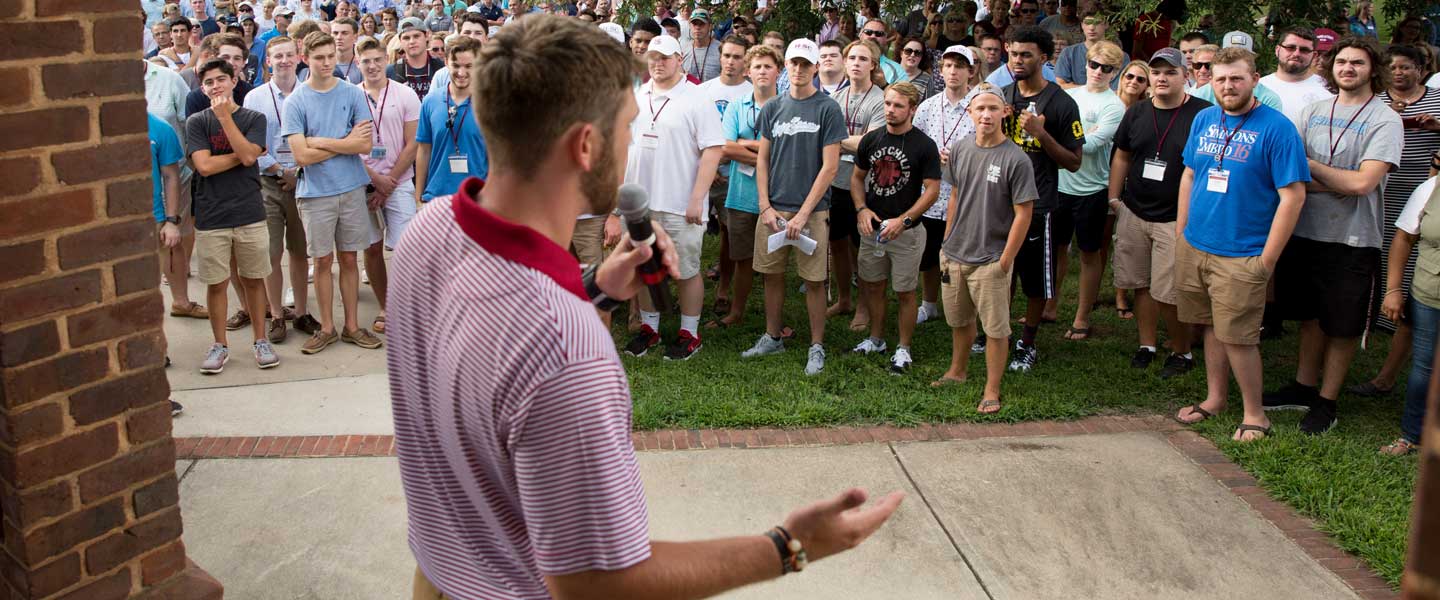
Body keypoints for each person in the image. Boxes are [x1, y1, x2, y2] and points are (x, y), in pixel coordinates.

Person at [388, 17, 903, 599]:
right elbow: (598, 583)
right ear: (586, 146)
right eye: (629, 127)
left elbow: (488, 341)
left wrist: (600, 287)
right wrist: (787, 545)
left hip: (435, 573)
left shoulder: (428, 232)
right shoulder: (568, 350)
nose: (633, 141)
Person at [1262, 37, 1401, 435]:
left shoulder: (1384, 119)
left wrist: (1311, 168)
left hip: (1353, 239)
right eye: (1341, 61)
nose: (1348, 69)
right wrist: (1331, 178)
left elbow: (1363, 184)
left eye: (1357, 63)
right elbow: (1291, 175)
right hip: (1305, 231)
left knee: (1342, 325)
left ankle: (1327, 400)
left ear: (1373, 69)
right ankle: (1303, 387)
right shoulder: (1314, 111)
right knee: (1309, 315)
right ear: (1330, 66)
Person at [1171, 47, 1309, 442]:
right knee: (1212, 327)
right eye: (1220, 79)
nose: (1227, 86)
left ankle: (1255, 415)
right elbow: (1190, 174)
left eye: (1236, 78)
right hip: (1196, 244)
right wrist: (1182, 230)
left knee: (1240, 337)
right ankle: (1215, 398)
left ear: (1254, 80)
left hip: (1244, 252)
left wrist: (1267, 259)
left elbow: (1293, 196)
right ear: (1210, 81)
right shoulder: (1204, 118)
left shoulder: (1277, 128)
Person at [742, 39, 848, 375]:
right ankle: (773, 336)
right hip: (774, 208)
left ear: (816, 67)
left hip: (813, 211)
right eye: (794, 63)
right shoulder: (773, 107)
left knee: (815, 280)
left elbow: (830, 167)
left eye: (806, 64)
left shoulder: (827, 108)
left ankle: (817, 345)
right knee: (771, 274)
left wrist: (804, 213)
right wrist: (764, 205)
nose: (799, 70)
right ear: (786, 66)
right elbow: (763, 158)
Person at [620, 34, 724, 360]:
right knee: (646, 267)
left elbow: (713, 150)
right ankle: (649, 328)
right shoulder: (638, 95)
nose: (658, 63)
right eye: (653, 57)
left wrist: (697, 197)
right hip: (641, 203)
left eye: (665, 57)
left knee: (687, 269)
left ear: (680, 59)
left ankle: (689, 333)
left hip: (681, 202)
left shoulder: (697, 97)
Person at [935, 82, 1036, 411]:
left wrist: (1005, 260)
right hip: (955, 254)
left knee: (995, 329)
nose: (986, 114)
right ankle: (957, 371)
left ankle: (992, 390)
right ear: (970, 112)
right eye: (980, 108)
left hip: (990, 259)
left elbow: (1024, 213)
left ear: (1005, 111)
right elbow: (953, 195)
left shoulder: (1016, 158)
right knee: (959, 320)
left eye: (993, 108)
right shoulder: (962, 148)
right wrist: (946, 242)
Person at [283, 32, 384, 354]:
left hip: (351, 188)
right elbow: (301, 156)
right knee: (322, 261)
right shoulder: (295, 101)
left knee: (350, 258)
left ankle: (352, 325)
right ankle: (326, 327)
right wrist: (344, 142)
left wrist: (320, 141)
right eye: (319, 57)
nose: (327, 63)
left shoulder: (352, 94)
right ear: (306, 58)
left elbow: (364, 144)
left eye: (330, 56)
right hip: (315, 193)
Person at [1109, 47, 1208, 377]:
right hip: (1135, 210)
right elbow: (1122, 155)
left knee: (1170, 291)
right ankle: (1146, 345)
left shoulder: (1202, 114)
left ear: (1186, 76)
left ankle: (1182, 352)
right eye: (1157, 72)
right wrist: (1114, 198)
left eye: (1170, 72)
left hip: (1175, 218)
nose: (1162, 78)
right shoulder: (1136, 113)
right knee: (1141, 284)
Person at [1353, 44, 1440, 396]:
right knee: (1380, 265)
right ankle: (1371, 325)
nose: (1399, 72)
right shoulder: (1374, 102)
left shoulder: (1436, 100)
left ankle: (1391, 369)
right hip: (1379, 196)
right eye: (1393, 67)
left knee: (1419, 280)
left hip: (1425, 197)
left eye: (1407, 67)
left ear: (1422, 69)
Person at [998, 26, 1084, 371]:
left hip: (1039, 204)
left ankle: (1027, 341)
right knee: (998, 272)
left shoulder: (1062, 103)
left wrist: (1041, 133)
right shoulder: (1003, 96)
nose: (1018, 60)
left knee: (1034, 279)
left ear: (1044, 59)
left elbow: (1074, 162)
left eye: (1026, 54)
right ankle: (997, 333)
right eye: (1014, 53)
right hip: (1000, 202)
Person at [185, 59, 279, 373]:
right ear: (202, 87)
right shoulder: (197, 122)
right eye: (209, 82)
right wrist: (242, 155)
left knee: (253, 279)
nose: (215, 86)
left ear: (234, 80)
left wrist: (227, 121)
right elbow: (205, 166)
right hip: (212, 214)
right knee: (216, 283)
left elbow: (251, 155)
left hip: (249, 210)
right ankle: (219, 344)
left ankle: (260, 340)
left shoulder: (254, 117)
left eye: (221, 79)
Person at [848, 81, 942, 374]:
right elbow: (856, 178)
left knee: (905, 290)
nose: (891, 110)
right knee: (873, 286)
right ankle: (876, 338)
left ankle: (903, 347)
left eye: (898, 106)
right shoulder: (871, 140)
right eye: (888, 104)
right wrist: (862, 209)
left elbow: (932, 190)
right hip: (873, 227)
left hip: (907, 231)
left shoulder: (924, 145)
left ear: (912, 109)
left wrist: (905, 220)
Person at [242, 35, 322, 344]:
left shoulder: (311, 95)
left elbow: (316, 138)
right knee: (270, 253)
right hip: (268, 183)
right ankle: (277, 315)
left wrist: (297, 171)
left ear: (299, 57)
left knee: (300, 252)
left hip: (304, 180)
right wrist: (280, 170)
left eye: (289, 55)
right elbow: (253, 145)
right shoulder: (255, 98)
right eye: (278, 56)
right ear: (268, 61)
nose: (284, 60)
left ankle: (301, 312)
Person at [1053, 40, 1124, 340]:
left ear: (1114, 72)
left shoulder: (1114, 105)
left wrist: (1067, 135)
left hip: (1092, 188)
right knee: (1056, 249)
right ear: (1086, 63)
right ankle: (1049, 306)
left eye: (1106, 68)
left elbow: (1094, 145)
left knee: (1089, 252)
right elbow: (1066, 133)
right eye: (1094, 64)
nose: (1098, 71)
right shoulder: (1069, 95)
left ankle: (1082, 316)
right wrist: (1082, 133)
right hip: (1059, 185)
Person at [710, 44, 782, 329]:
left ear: (778, 70)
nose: (762, 71)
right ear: (748, 71)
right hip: (740, 195)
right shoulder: (738, 105)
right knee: (741, 258)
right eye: (757, 66)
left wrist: (747, 144)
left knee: (772, 266)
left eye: (768, 66)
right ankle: (736, 312)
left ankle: (772, 320)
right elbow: (725, 147)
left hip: (777, 196)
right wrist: (765, 153)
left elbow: (787, 149)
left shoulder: (787, 106)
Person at [356, 35, 421, 336]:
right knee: (371, 248)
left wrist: (388, 184)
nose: (372, 66)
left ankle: (407, 307)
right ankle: (385, 307)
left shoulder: (405, 94)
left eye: (377, 60)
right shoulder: (351, 96)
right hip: (363, 182)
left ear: (386, 61)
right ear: (358, 63)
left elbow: (413, 145)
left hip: (399, 181)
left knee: (406, 249)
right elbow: (348, 146)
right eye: (366, 61)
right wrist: (375, 180)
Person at [828, 40, 888, 332]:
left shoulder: (881, 99)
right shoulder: (836, 98)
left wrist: (836, 143)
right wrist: (849, 143)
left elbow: (871, 143)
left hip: (867, 186)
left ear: (873, 65)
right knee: (837, 244)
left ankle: (864, 307)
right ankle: (843, 300)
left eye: (863, 58)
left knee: (863, 247)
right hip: (836, 182)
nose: (855, 63)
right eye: (851, 57)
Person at [914, 45, 976, 327]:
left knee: (961, 254)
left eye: (960, 66)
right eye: (948, 65)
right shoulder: (927, 107)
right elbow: (914, 146)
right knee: (927, 253)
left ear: (971, 72)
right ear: (940, 71)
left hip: (965, 196)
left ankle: (964, 306)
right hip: (931, 194)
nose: (953, 71)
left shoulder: (979, 107)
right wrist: (931, 156)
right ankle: (929, 303)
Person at [1380, 175, 1440, 455]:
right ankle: (1412, 435)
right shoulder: (1431, 188)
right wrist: (1393, 290)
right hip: (1429, 294)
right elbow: (1403, 239)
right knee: (1424, 367)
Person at [697, 36, 755, 316]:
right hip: (703, 175)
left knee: (730, 235)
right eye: (727, 56)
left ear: (746, 62)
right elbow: (694, 132)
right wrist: (706, 169)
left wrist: (723, 165)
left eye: (737, 57)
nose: (731, 62)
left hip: (734, 175)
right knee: (693, 231)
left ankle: (723, 289)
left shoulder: (751, 92)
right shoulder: (704, 91)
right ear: (720, 57)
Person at [415, 36, 488, 202]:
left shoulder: (489, 104)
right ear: (446, 62)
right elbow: (424, 150)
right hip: (436, 198)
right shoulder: (430, 101)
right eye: (456, 65)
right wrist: (418, 197)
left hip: (477, 199)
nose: (461, 73)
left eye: (469, 66)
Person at [1260, 28, 1335, 122]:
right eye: (1290, 48)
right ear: (1277, 50)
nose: (1296, 54)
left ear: (1314, 55)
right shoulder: (1258, 87)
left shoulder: (1329, 89)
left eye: (1304, 50)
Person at [185, 34, 253, 116]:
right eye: (225, 57)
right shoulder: (195, 98)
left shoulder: (251, 95)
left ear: (243, 62)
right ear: (214, 58)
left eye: (237, 58)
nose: (231, 63)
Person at [1055, 12, 1126, 90]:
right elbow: (1061, 85)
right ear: (1082, 25)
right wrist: (1090, 90)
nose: (1092, 27)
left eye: (1097, 23)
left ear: (1106, 24)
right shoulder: (1068, 53)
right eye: (1088, 23)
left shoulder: (1120, 56)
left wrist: (1074, 87)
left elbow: (1119, 90)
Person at [386, 18, 444, 97]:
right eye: (406, 38)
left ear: (426, 36)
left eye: (416, 36)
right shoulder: (390, 72)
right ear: (400, 41)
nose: (412, 41)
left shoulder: (442, 68)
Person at [858, 19, 904, 84]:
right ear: (861, 36)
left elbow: (902, 94)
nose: (873, 36)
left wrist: (884, 85)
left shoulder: (897, 70)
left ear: (886, 39)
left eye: (879, 34)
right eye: (868, 32)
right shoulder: (846, 63)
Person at [681, 9, 721, 82]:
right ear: (690, 26)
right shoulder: (683, 50)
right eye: (694, 24)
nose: (697, 27)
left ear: (710, 26)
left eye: (701, 24)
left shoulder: (721, 49)